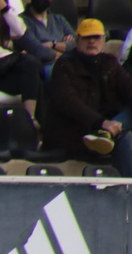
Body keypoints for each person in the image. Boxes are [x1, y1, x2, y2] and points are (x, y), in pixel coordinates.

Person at [43, 19, 132, 176]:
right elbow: (68, 103)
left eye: (96, 37)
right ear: (77, 42)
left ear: (103, 41)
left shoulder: (110, 62)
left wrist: (107, 127)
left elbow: (128, 87)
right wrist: (101, 123)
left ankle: (105, 135)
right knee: (123, 138)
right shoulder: (64, 65)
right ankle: (129, 191)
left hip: (106, 131)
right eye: (86, 37)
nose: (92, 41)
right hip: (77, 133)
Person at [20, 0, 74, 79]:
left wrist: (53, 44)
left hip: (66, 63)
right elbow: (37, 50)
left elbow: (76, 43)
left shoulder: (59, 20)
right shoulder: (21, 21)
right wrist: (62, 48)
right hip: (42, 68)